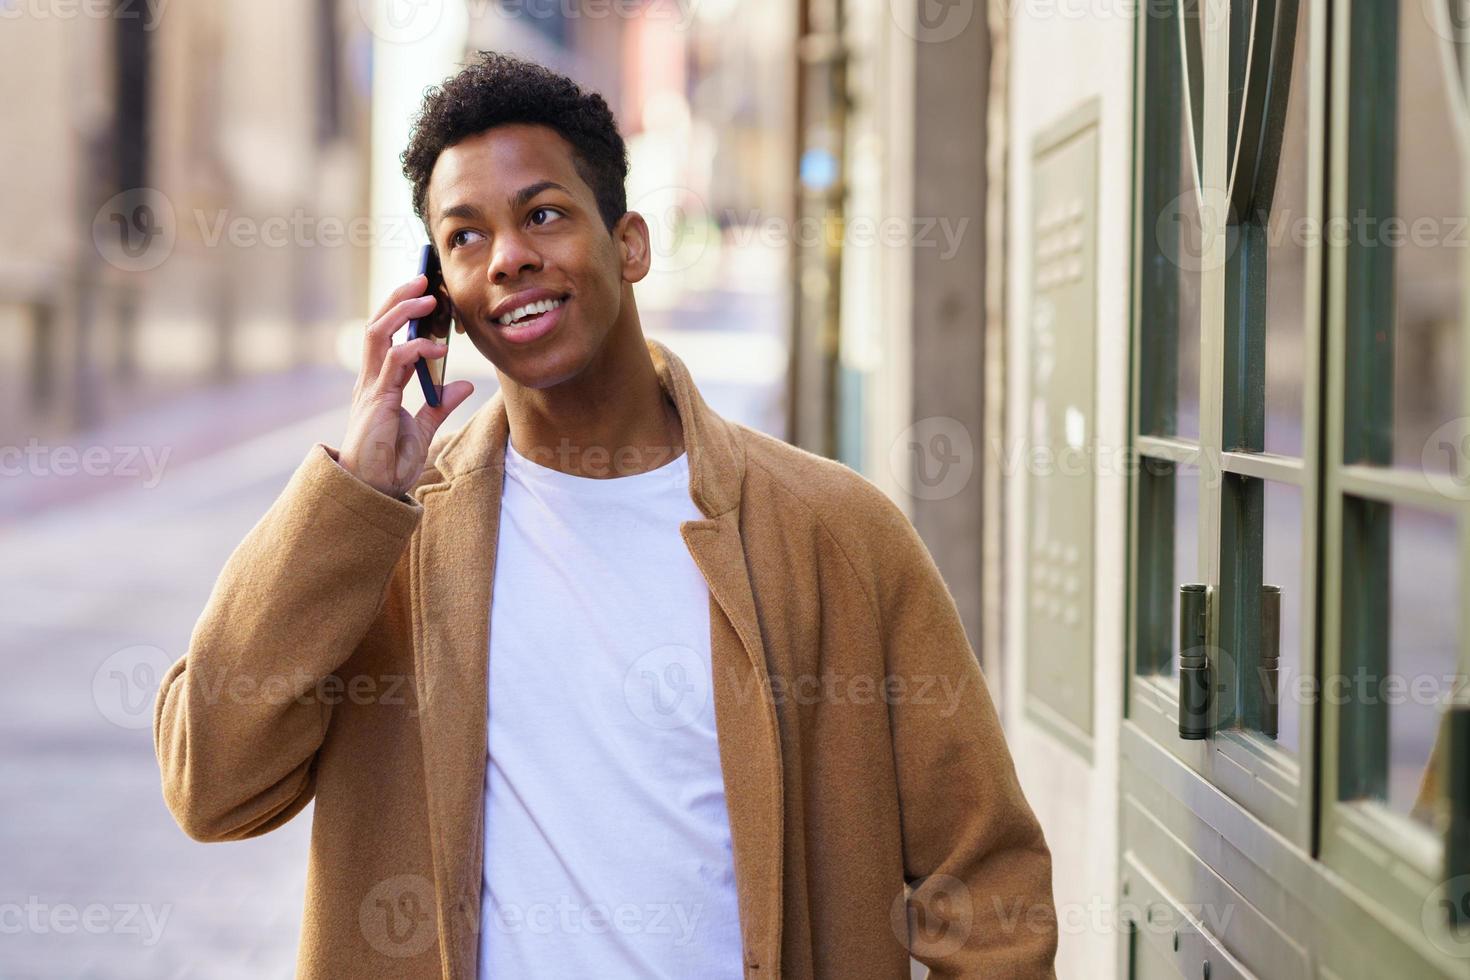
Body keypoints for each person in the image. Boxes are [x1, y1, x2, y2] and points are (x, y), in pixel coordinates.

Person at [153, 51, 1057, 979]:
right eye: (465, 238)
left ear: (629, 243)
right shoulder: (386, 543)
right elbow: (211, 785)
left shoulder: (837, 534)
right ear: (442, 299)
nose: (508, 257)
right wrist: (351, 496)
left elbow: (987, 891)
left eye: (542, 214)